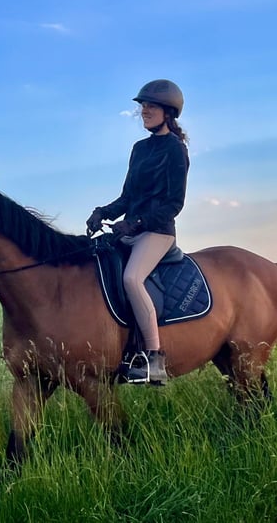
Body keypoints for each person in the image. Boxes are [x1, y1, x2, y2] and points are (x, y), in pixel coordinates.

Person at [86, 79, 190, 385]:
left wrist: (138, 223)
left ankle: (153, 360)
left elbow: (174, 203)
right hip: (131, 229)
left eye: (151, 106)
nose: (144, 111)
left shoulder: (175, 150)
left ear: (168, 112)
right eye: (143, 106)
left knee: (132, 278)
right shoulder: (139, 149)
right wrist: (102, 213)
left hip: (157, 232)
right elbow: (128, 197)